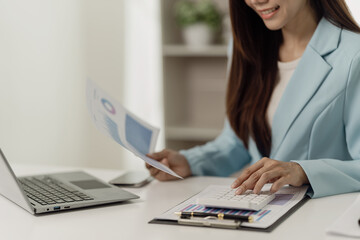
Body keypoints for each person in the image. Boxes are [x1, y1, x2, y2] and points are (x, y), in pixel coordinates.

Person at [146, 0, 360, 198]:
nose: (255, 0)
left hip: (315, 219)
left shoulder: (353, 55)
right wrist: (190, 162)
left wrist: (302, 171)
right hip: (258, 210)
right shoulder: (246, 46)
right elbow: (237, 143)